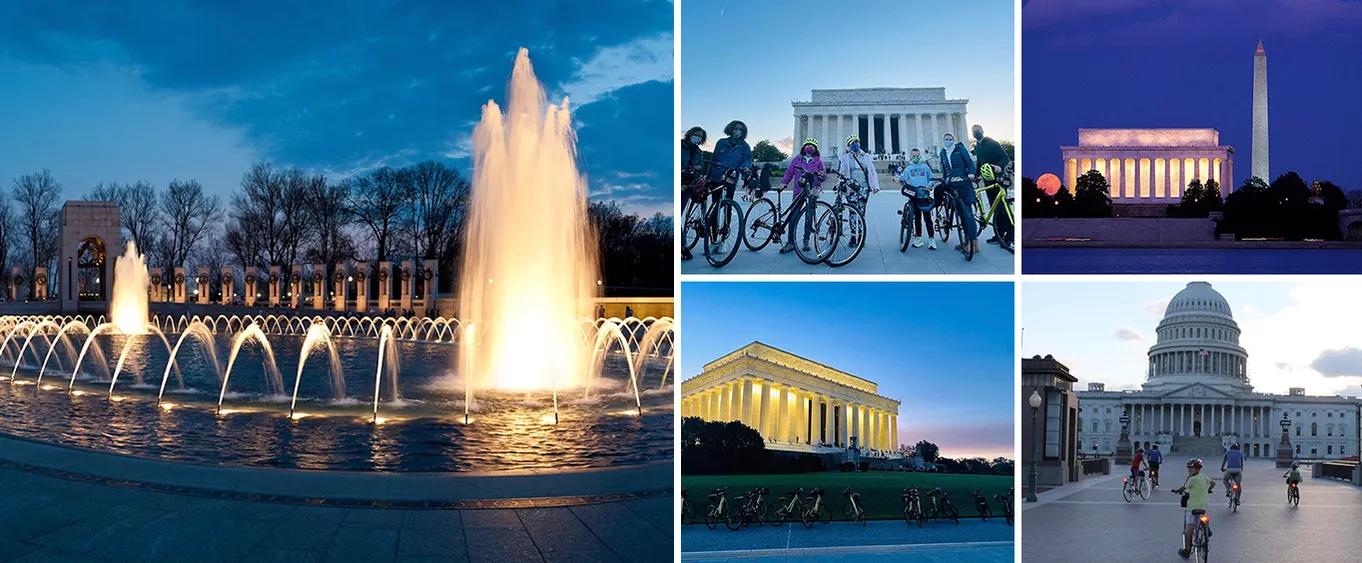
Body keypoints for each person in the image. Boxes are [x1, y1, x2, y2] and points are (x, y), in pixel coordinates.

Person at [778, 139, 826, 254]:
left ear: (815, 149)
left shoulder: (819, 162)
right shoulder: (797, 159)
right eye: (808, 145)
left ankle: (806, 241)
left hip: (812, 190)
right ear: (804, 147)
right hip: (798, 191)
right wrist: (784, 183)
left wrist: (821, 176)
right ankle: (790, 242)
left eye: (812, 146)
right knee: (793, 216)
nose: (810, 148)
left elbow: (824, 176)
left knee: (809, 217)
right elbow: (789, 172)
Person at [970, 124, 1012, 244]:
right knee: (995, 207)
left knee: (1003, 208)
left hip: (998, 178)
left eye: (978, 130)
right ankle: (998, 234)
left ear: (982, 130)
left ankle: (1009, 237)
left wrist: (999, 166)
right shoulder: (977, 147)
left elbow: (1005, 157)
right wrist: (976, 175)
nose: (976, 133)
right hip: (987, 180)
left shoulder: (992, 143)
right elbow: (980, 162)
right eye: (974, 131)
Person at [938, 132, 978, 253]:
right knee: (960, 215)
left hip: (964, 183)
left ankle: (974, 243)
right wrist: (945, 180)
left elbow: (969, 163)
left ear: (954, 140)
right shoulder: (943, 153)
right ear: (943, 141)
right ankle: (966, 241)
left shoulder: (960, 149)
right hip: (952, 185)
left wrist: (971, 173)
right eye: (946, 139)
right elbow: (945, 170)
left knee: (968, 214)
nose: (948, 141)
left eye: (950, 139)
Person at [1173, 458, 1215, 559]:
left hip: (1192, 507)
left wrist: (1176, 490)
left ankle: (1187, 550)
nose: (1189, 470)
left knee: (1189, 528)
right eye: (1189, 468)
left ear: (1197, 469)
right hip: (1204, 506)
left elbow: (1184, 488)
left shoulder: (1191, 479)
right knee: (1202, 517)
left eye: (1191, 468)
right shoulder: (1204, 477)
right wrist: (1207, 490)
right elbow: (1213, 483)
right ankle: (1206, 529)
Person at [706, 120, 753, 204]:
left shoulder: (745, 146)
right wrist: (708, 177)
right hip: (717, 174)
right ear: (731, 129)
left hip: (732, 175)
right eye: (736, 129)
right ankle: (713, 216)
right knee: (715, 202)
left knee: (729, 202)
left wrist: (744, 167)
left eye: (740, 130)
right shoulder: (721, 142)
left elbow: (747, 159)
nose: (738, 131)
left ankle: (727, 217)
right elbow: (713, 159)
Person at [898, 148, 936, 249]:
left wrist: (929, 185)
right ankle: (919, 238)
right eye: (913, 156)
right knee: (917, 218)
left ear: (920, 156)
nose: (915, 158)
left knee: (928, 218)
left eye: (917, 156)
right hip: (914, 195)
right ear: (910, 157)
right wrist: (897, 179)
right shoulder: (908, 169)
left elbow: (931, 179)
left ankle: (932, 239)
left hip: (924, 195)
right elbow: (903, 177)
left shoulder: (925, 167)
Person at [680, 126, 707, 261]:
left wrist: (696, 170)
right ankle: (683, 246)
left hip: (689, 185)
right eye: (696, 135)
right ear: (690, 134)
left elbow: (701, 166)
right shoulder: (679, 146)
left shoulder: (698, 152)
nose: (698, 138)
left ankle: (683, 247)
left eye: (700, 137)